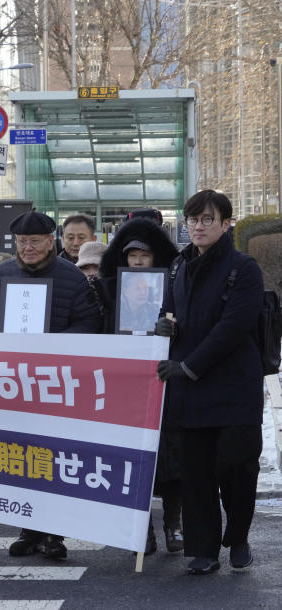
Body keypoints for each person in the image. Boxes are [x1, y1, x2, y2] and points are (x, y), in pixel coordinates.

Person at [0, 209, 101, 560]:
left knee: (54, 457)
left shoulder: (71, 277)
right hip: (12, 382)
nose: (27, 248)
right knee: (19, 456)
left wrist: (53, 346)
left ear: (51, 241)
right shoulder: (1, 273)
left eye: (35, 241)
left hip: (56, 382)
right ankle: (28, 529)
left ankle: (53, 534)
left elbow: (89, 322)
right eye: (21, 242)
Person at [155, 190, 264, 575]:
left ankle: (237, 537)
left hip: (235, 387)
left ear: (225, 223)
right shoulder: (178, 267)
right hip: (190, 388)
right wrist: (162, 328)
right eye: (192, 220)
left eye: (207, 220)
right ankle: (203, 549)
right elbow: (168, 312)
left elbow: (233, 327)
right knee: (196, 472)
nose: (198, 227)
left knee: (237, 466)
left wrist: (189, 365)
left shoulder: (243, 267)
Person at [96, 215, 181, 555]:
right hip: (125, 383)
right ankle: (140, 531)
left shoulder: (175, 287)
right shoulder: (107, 290)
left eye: (144, 256)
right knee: (132, 458)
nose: (138, 262)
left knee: (172, 458)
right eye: (132, 256)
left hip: (166, 380)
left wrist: (173, 331)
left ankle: (173, 524)